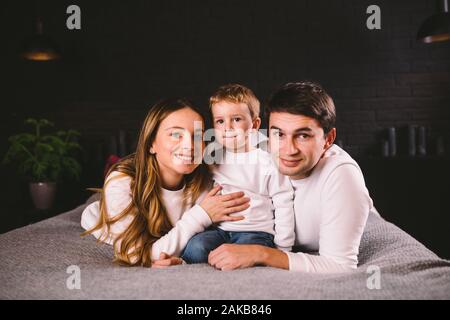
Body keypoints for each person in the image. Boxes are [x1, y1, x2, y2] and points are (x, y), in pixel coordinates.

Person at [207, 81, 375, 272]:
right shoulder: (255, 148)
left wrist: (260, 253)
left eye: (303, 136)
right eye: (279, 134)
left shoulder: (341, 175)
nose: (289, 150)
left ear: (328, 139)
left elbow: (341, 266)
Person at [80, 98, 250, 267]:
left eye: (198, 136)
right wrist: (201, 214)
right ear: (151, 143)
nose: (190, 146)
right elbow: (134, 254)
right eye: (176, 134)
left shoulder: (205, 179)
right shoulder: (122, 182)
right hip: (107, 218)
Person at [180, 84, 295, 264]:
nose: (227, 127)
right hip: (221, 230)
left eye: (236, 119)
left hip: (256, 231)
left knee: (245, 253)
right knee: (195, 249)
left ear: (254, 125)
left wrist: (284, 248)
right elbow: (202, 190)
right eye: (220, 121)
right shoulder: (213, 158)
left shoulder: (267, 161)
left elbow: (283, 202)